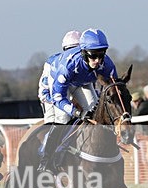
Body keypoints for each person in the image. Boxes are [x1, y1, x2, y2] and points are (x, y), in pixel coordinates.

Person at [37, 28, 119, 172]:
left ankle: (95, 151)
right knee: (62, 118)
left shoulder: (107, 64)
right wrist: (76, 112)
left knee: (94, 109)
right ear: (83, 53)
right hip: (58, 88)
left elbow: (114, 88)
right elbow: (58, 97)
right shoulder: (67, 66)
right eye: (93, 56)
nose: (98, 61)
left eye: (101, 55)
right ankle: (46, 159)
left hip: (80, 82)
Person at [38, 30, 81, 125]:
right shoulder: (52, 63)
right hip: (50, 96)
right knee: (61, 119)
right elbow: (45, 89)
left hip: (66, 94)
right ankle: (49, 139)